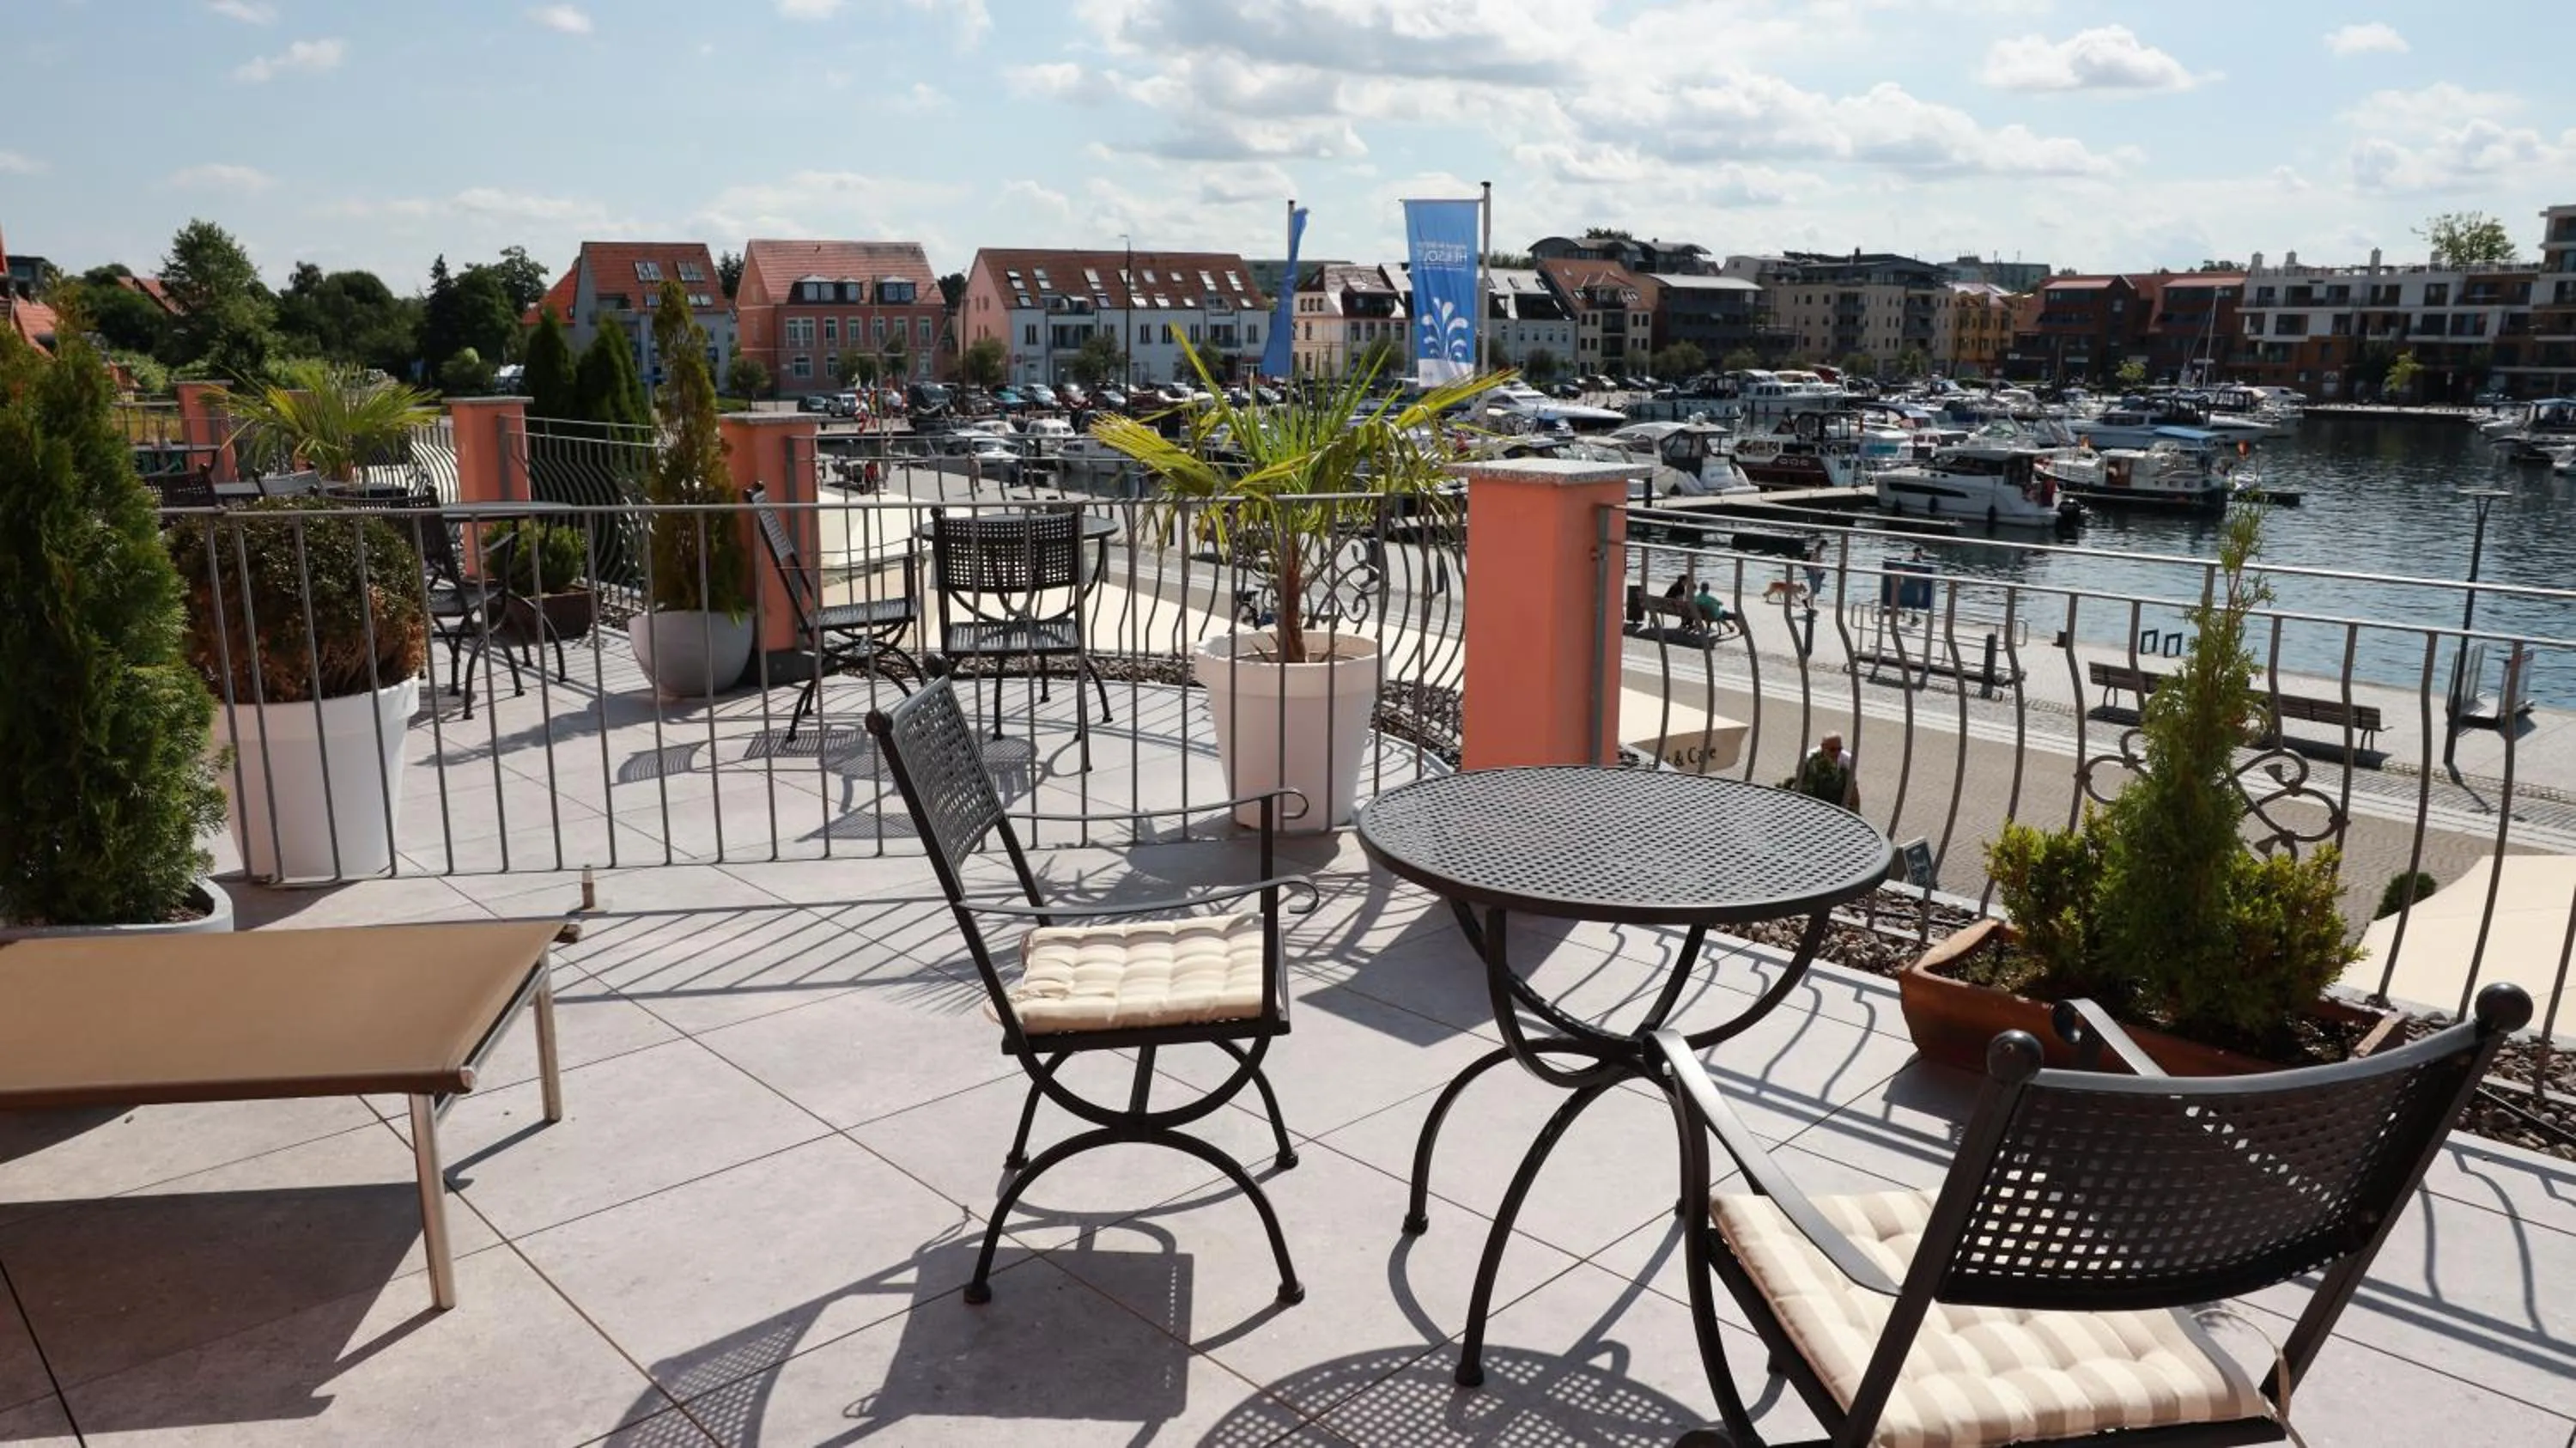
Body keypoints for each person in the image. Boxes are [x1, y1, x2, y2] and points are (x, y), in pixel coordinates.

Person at [1790, 732, 1859, 809]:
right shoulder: (1810, 759)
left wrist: (1855, 809)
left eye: (1839, 749)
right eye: (1832, 750)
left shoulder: (1847, 760)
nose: (1837, 753)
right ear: (1823, 747)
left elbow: (1852, 786)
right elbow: (1799, 780)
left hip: (1836, 793)